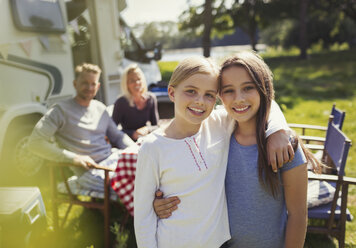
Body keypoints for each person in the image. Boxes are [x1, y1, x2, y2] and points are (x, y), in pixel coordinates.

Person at [154, 52, 322, 248]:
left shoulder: (283, 146)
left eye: (248, 88)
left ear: (263, 89)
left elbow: (298, 214)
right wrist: (161, 203)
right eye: (228, 90)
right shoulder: (216, 135)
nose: (238, 99)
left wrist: (277, 130)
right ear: (219, 96)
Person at [28, 63, 135, 192]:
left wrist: (135, 150)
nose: (89, 87)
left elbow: (118, 136)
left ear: (98, 86)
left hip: (112, 160)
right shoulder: (60, 110)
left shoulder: (100, 108)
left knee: (149, 172)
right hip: (90, 172)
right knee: (139, 184)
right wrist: (73, 158)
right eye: (85, 83)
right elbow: (34, 143)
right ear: (75, 84)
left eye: (93, 84)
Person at [112, 64, 159, 141]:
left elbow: (156, 126)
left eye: (139, 79)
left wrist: (147, 129)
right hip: (127, 142)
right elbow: (112, 130)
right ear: (126, 84)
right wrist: (132, 134)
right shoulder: (121, 102)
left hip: (146, 141)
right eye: (132, 81)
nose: (137, 83)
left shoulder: (151, 99)